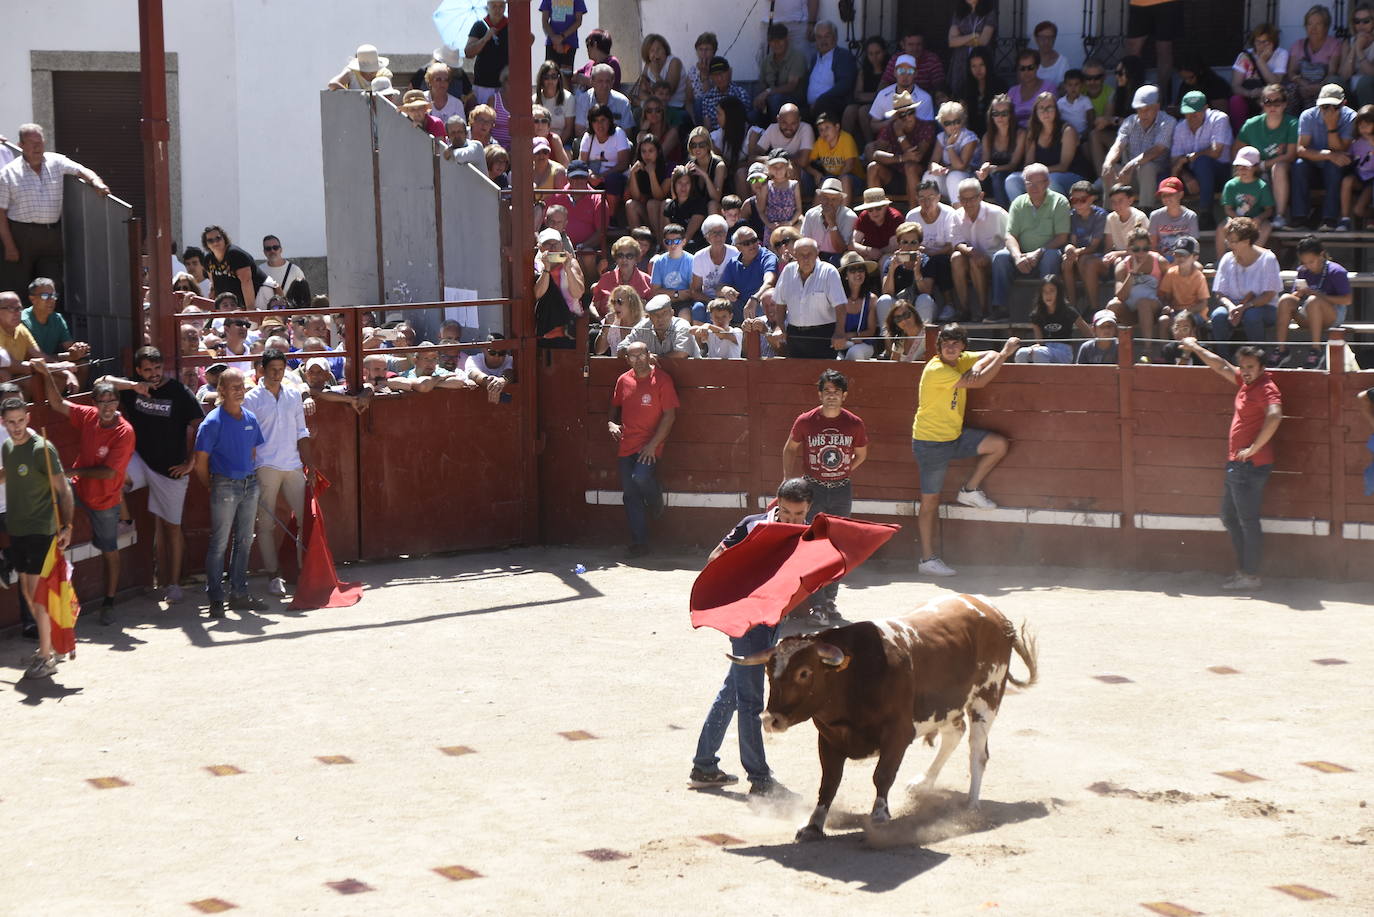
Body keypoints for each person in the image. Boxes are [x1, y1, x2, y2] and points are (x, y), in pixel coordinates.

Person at [689, 477, 813, 793]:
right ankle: (759, 778)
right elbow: (715, 558)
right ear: (776, 503)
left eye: (798, 515)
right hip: (748, 621)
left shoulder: (810, 534)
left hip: (774, 620)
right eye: (786, 513)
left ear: (807, 509)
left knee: (734, 689)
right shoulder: (753, 525)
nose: (792, 520)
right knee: (750, 699)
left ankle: (704, 765)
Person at [911, 325, 1018, 578]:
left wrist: (985, 362)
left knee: (998, 445)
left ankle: (969, 490)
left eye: (955, 343)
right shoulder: (936, 369)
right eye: (946, 343)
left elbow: (988, 354)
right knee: (930, 502)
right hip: (931, 444)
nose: (950, 347)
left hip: (954, 437)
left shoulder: (960, 360)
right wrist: (1005, 355)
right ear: (939, 346)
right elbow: (980, 380)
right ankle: (927, 559)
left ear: (962, 347)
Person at [1179, 337, 1282, 591]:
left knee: (1246, 520)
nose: (1245, 371)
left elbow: (1275, 415)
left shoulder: (1266, 387)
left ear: (1261, 367)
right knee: (1230, 516)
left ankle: (1250, 574)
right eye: (1243, 366)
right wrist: (1195, 347)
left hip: (1249, 465)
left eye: (1250, 367)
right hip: (1238, 464)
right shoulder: (1248, 383)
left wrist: (1254, 448)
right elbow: (1221, 366)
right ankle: (1245, 570)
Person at [34, 366, 133, 624]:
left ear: (117, 402)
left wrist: (70, 471)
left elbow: (108, 473)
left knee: (109, 550)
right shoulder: (88, 416)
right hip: (78, 487)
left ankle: (109, 602)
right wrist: (45, 373)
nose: (108, 406)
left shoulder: (125, 432)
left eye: (112, 400)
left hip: (105, 499)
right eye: (103, 401)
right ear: (94, 403)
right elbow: (56, 403)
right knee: (48, 504)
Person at [782, 370, 867, 624]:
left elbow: (861, 454)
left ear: (844, 396)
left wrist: (843, 471)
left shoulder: (854, 424)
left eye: (836, 392)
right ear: (820, 394)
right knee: (814, 547)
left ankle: (830, 601)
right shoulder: (806, 420)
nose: (832, 396)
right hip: (813, 489)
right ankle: (816, 605)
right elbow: (790, 448)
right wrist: (788, 480)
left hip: (841, 489)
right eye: (827, 392)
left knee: (837, 548)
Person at [1, 395, 74, 679]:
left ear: (28, 418)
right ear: (4, 423)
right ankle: (50, 645)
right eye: (11, 422)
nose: (16, 427)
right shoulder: (8, 447)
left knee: (38, 595)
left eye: (20, 421)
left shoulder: (42, 449)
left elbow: (63, 489)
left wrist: (67, 527)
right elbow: (9, 474)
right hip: (17, 529)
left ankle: (47, 656)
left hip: (41, 529)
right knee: (28, 593)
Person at [0, 123, 110, 295]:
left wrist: (96, 182)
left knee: (51, 284)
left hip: (51, 234)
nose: (37, 147)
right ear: (21, 145)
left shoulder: (56, 161)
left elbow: (81, 170)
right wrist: (9, 246)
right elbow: (1, 213)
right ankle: (19, 322)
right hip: (20, 235)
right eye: (31, 142)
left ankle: (51, 320)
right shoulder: (8, 173)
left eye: (40, 142)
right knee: (18, 285)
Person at [193, 367, 268, 617]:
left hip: (248, 482)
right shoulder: (212, 422)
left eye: (242, 387)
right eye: (234, 387)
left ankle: (238, 593)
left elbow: (253, 453)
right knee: (220, 542)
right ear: (222, 391)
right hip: (226, 484)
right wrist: (211, 484)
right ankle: (216, 597)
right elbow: (200, 461)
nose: (240, 391)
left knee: (245, 539)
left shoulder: (249, 418)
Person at [244, 348, 315, 599]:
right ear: (262, 370)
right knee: (265, 523)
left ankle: (303, 571)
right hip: (265, 466)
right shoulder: (251, 398)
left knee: (306, 519)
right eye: (272, 369)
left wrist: (310, 465)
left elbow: (301, 431)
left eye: (281, 369)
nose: (277, 374)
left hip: (293, 464)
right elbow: (248, 437)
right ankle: (273, 575)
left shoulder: (293, 394)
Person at [608, 340, 677, 558]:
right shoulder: (623, 380)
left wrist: (652, 446)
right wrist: (611, 423)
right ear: (627, 359)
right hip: (627, 443)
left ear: (649, 355)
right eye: (632, 357)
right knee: (630, 495)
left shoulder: (662, 380)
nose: (637, 360)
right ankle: (640, 543)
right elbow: (614, 407)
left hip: (651, 443)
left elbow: (670, 415)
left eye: (641, 355)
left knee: (640, 478)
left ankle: (656, 498)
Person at [991, 163, 1069, 319]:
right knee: (1000, 257)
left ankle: (1049, 309)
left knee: (1052, 256)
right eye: (1029, 182)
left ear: (1047, 183)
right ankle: (1000, 308)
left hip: (1045, 253)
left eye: (1039, 182)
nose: (1033, 187)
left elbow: (1062, 237)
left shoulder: (1059, 202)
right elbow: (1010, 235)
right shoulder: (1018, 203)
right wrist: (1017, 256)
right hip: (1023, 255)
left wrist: (1037, 253)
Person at [1272, 235, 1353, 368]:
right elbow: (1295, 297)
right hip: (1306, 314)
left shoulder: (1336, 271)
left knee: (1314, 301)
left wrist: (1320, 296)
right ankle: (1281, 350)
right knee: (1285, 299)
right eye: (1304, 263)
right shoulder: (1303, 271)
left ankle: (1316, 350)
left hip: (1331, 316)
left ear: (1321, 255)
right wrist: (1298, 294)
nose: (1308, 266)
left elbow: (1347, 300)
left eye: (1311, 261)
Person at [1209, 216, 1282, 345]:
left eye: (1233, 241)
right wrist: (1230, 306)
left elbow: (1269, 294)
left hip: (1263, 307)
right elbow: (1220, 293)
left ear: (1247, 241)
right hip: (1233, 305)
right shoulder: (1226, 258)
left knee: (1251, 316)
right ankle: (1222, 358)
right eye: (1228, 241)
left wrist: (1245, 307)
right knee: (1218, 316)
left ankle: (1259, 355)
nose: (1229, 245)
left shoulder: (1268, 259)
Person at [1102, 85, 1178, 208]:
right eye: (1139, 110)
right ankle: (1108, 211)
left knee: (1146, 167)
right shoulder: (1130, 121)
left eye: (1147, 109)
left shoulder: (1168, 122)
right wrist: (1108, 162)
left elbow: (1157, 149)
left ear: (1157, 107)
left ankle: (1146, 209)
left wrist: (1132, 163)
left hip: (1158, 176)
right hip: (1130, 175)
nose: (1143, 114)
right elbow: (1118, 145)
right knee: (1110, 168)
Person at [1293, 83, 1356, 230]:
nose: (1328, 110)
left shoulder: (1351, 118)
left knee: (1333, 166)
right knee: (1299, 165)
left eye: (1334, 106)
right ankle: (1299, 218)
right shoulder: (1308, 116)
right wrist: (1327, 155)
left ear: (1343, 103)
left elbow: (1341, 149)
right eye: (1324, 106)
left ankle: (1330, 219)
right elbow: (1301, 150)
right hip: (1314, 165)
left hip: (1337, 168)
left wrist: (1331, 127)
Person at [772, 237, 846, 358]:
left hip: (823, 334)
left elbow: (840, 306)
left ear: (817, 253)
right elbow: (780, 303)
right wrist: (779, 327)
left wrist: (839, 332)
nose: (806, 259)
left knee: (823, 375)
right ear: (794, 255)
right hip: (795, 335)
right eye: (802, 255)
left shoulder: (829, 272)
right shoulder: (788, 271)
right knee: (797, 374)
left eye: (810, 254)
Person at [950, 178, 1009, 321]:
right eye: (964, 199)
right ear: (959, 199)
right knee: (956, 258)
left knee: (975, 262)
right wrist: (973, 252)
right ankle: (964, 309)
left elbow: (1011, 237)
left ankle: (984, 310)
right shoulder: (956, 215)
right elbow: (957, 242)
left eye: (972, 199)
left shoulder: (997, 213)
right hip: (972, 258)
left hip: (996, 262)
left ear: (981, 196)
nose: (968, 203)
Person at [1171, 90, 1234, 222]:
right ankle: (1171, 221)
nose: (1192, 115)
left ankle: (1206, 214)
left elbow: (1216, 151)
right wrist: (1186, 177)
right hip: (1192, 174)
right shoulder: (1180, 127)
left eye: (1196, 111)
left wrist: (1189, 158)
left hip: (1221, 173)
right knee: (1167, 178)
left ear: (1206, 108)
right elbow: (1174, 160)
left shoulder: (1219, 118)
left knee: (1203, 161)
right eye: (1188, 112)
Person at [22, 277, 89, 392]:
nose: (51, 300)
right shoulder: (23, 320)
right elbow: (34, 358)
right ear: (32, 299)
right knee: (57, 377)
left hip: (51, 361)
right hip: (32, 366)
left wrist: (77, 350)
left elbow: (69, 348)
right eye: (45, 296)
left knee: (82, 365)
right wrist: (65, 360)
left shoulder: (57, 318)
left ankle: (76, 401)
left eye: (53, 295)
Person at [1108, 226, 1168, 344]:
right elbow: (1121, 297)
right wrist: (1132, 273)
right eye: (1136, 249)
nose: (1141, 253)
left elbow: (1170, 287)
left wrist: (1169, 306)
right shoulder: (1122, 266)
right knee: (1112, 305)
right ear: (1129, 249)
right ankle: (1110, 347)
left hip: (1155, 307)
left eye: (1145, 249)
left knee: (1143, 303)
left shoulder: (1160, 262)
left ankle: (1148, 350)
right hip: (1130, 311)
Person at [1015, 274, 1088, 363]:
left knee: (1039, 353)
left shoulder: (1068, 311)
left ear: (1058, 292)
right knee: (1021, 353)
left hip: (1063, 351)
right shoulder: (1036, 314)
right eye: (1044, 291)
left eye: (1052, 291)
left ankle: (1043, 377)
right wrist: (1035, 347)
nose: (1048, 295)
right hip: (1044, 349)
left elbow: (1088, 333)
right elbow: (1040, 342)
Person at [1217, 145, 1276, 255]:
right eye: (1239, 166)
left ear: (1255, 167)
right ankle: (1220, 259)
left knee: (1266, 227)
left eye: (1247, 166)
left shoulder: (1262, 186)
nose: (1242, 170)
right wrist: (1237, 219)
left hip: (1255, 220)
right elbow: (1228, 209)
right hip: (1236, 218)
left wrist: (1259, 218)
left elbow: (1268, 210)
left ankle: (1251, 256)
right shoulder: (1230, 185)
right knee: (1222, 227)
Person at [717, 225, 778, 325]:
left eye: (754, 240)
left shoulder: (768, 257)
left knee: (760, 308)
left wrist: (754, 299)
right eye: (746, 243)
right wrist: (725, 290)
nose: (752, 245)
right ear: (738, 247)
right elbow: (719, 288)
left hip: (760, 304)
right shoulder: (733, 262)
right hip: (739, 306)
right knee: (715, 307)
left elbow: (769, 282)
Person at [1125, 0, 1184, 105]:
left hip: (1166, 3)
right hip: (1138, 3)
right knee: (1132, 47)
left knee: (1164, 48)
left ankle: (1160, 98)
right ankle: (1134, 95)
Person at [1287, 5, 1344, 112]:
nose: (1313, 28)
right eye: (1309, 24)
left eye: (1318, 24)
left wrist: (1317, 87)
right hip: (1302, 86)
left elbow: (1332, 72)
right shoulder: (1298, 45)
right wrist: (1304, 84)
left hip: (1322, 87)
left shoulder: (1334, 45)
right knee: (1289, 89)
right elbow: (1291, 72)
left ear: (1326, 27)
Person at [1231, 24, 1288, 129]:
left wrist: (1261, 61)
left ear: (1273, 43)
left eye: (1265, 42)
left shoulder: (1281, 54)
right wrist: (1250, 93)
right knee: (1236, 101)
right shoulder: (1245, 56)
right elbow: (1235, 86)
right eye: (1258, 41)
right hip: (1248, 94)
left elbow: (1276, 82)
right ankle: (1240, 135)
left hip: (1269, 96)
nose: (1261, 46)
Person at [1062, 181, 1107, 313]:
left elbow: (1094, 246)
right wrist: (1069, 249)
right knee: (1066, 261)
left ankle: (1093, 307)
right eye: (1074, 200)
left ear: (1092, 198)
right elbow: (1073, 241)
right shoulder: (1072, 215)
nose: (1078, 204)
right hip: (1080, 254)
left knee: (1083, 260)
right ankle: (1072, 305)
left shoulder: (1100, 215)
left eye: (1083, 200)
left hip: (1097, 256)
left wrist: (1076, 251)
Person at [201, 225, 271, 309]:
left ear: (224, 238)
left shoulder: (235, 255)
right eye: (210, 240)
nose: (215, 242)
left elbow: (247, 282)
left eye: (218, 238)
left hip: (260, 294)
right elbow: (214, 284)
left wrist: (250, 310)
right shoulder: (208, 260)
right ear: (206, 244)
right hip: (237, 303)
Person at [927, 101, 980, 203]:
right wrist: (934, 167)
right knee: (929, 176)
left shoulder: (970, 137)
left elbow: (961, 166)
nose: (953, 126)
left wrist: (950, 146)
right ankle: (931, 211)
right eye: (948, 123)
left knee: (954, 176)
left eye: (956, 121)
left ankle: (959, 212)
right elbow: (932, 162)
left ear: (962, 121)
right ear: (942, 124)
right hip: (948, 177)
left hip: (970, 179)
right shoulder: (941, 137)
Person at [617, 294, 700, 359]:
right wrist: (639, 355)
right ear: (649, 317)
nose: (660, 318)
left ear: (672, 313)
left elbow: (681, 353)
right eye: (655, 315)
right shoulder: (642, 327)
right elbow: (621, 348)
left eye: (664, 313)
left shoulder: (682, 326)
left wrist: (651, 357)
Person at [808, 20, 859, 125]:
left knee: (823, 105)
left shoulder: (843, 56)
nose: (823, 40)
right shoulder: (814, 58)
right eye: (819, 37)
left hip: (833, 104)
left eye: (827, 36)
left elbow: (845, 84)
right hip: (813, 105)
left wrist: (820, 99)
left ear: (835, 38)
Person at [799, 178, 856, 268]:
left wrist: (832, 223)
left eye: (833, 199)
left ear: (840, 200)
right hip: (814, 256)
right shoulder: (811, 214)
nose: (829, 203)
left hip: (838, 258)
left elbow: (840, 249)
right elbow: (805, 243)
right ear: (820, 198)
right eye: (825, 198)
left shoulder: (849, 217)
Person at [833, 251, 879, 360]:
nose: (858, 273)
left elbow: (871, 331)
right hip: (839, 344)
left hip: (863, 344)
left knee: (855, 353)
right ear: (846, 276)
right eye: (852, 270)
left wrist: (851, 337)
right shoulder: (836, 298)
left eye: (861, 269)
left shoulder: (872, 299)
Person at [948, 0, 999, 97]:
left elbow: (984, 40)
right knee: (960, 92)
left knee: (982, 90)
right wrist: (973, 36)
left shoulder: (989, 13)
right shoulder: (958, 13)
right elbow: (952, 42)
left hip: (982, 59)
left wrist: (961, 40)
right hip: (961, 61)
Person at [465, 0, 509, 104]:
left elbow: (530, 39)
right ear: (488, 7)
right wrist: (485, 38)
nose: (498, 10)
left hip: (505, 85)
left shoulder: (511, 26)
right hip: (483, 84)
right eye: (494, 6)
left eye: (501, 6)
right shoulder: (480, 25)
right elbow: (468, 52)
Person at [696, 57, 752, 133]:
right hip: (715, 138)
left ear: (729, 72)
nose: (719, 78)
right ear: (711, 77)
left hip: (736, 135)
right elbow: (708, 126)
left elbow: (742, 122)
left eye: (722, 73)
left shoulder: (740, 94)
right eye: (715, 75)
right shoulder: (707, 98)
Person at [1148, 176, 1200, 256]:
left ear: (1180, 194)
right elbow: (1153, 246)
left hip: (1184, 258)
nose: (1167, 198)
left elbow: (1193, 246)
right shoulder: (1155, 216)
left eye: (1170, 194)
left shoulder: (1190, 216)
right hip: (1161, 259)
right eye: (1164, 195)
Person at [1007, 49, 1057, 129]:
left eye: (1030, 67)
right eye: (1022, 68)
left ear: (1037, 67)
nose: (1026, 72)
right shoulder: (1012, 92)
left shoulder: (1049, 88)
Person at [260, 235, 310, 308]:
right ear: (264, 252)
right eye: (268, 249)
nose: (272, 251)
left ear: (281, 250)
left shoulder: (295, 271)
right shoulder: (260, 270)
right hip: (267, 316)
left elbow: (304, 296)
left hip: (290, 316)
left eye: (275, 247)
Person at [326, 43, 391, 91]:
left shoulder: (384, 74)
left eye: (373, 71)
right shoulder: (351, 73)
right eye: (367, 71)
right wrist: (351, 96)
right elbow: (332, 84)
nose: (371, 74)